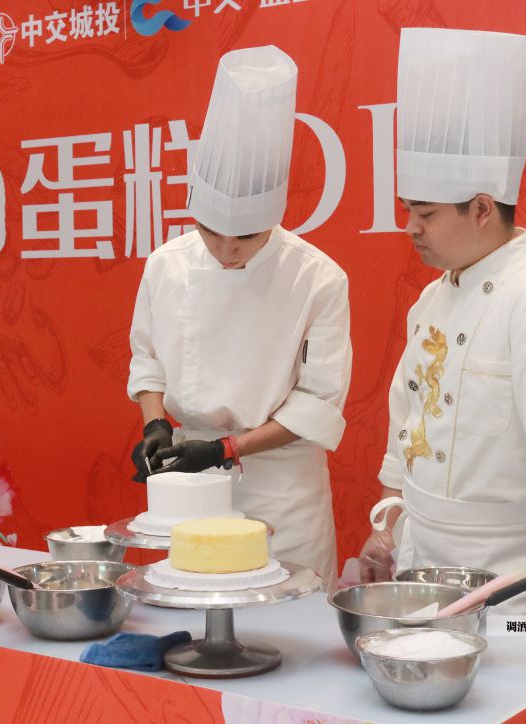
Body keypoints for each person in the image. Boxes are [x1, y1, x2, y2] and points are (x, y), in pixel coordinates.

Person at [355, 28, 526, 612]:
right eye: (407, 210)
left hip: (513, 577)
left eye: (425, 214)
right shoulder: (431, 301)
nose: (411, 228)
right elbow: (408, 420)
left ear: (480, 208)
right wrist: (388, 524)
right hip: (422, 562)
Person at [126, 45, 352, 585]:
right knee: (195, 602)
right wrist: (156, 423)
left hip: (282, 488)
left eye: (246, 237)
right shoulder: (166, 264)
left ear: (273, 218)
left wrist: (227, 448)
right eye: (211, 232)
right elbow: (147, 358)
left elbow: (318, 401)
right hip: (189, 482)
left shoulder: (318, 277)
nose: (227, 249)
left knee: (287, 614)